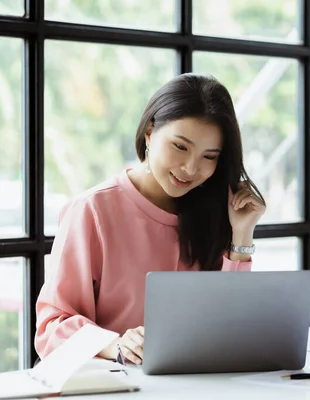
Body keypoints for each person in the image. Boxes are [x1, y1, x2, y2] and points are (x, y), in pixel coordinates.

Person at [35, 73, 266, 365]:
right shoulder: (92, 211)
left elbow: (231, 324)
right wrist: (116, 344)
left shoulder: (212, 211)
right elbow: (51, 327)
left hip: (195, 385)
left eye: (209, 156)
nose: (190, 168)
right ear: (149, 132)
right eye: (180, 146)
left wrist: (242, 235)